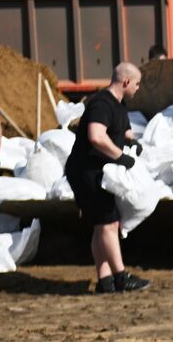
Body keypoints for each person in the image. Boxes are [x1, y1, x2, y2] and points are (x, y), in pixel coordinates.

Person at [64, 63, 150, 294]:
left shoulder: (119, 105)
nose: (138, 88)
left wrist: (133, 142)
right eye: (137, 83)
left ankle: (105, 281)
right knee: (109, 223)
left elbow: (123, 130)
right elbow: (97, 136)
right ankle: (121, 277)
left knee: (101, 225)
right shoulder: (101, 103)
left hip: (98, 172)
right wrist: (121, 157)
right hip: (86, 172)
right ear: (125, 82)